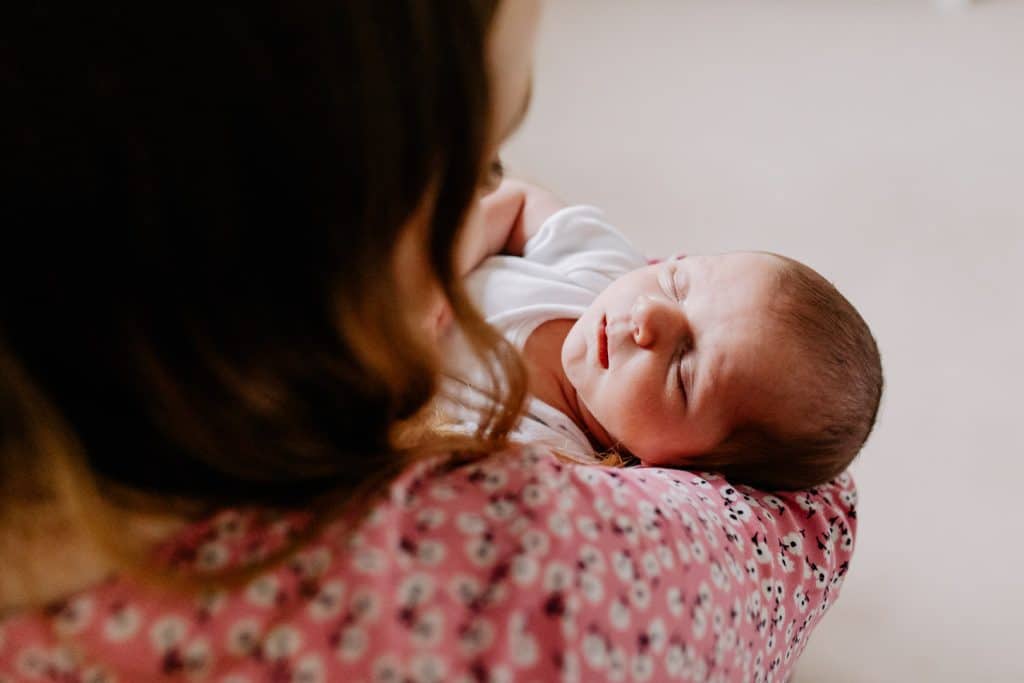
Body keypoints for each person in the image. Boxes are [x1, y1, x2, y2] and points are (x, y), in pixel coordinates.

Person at [0, 2, 858, 681]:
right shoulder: (591, 283)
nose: (649, 317)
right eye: (473, 151)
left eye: (682, 372)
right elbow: (529, 208)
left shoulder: (569, 470)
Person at [447, 180, 883, 490]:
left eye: (683, 370)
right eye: (676, 284)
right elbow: (520, 202)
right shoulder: (603, 269)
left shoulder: (552, 460)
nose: (649, 315)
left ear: (689, 466)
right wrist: (436, 272)